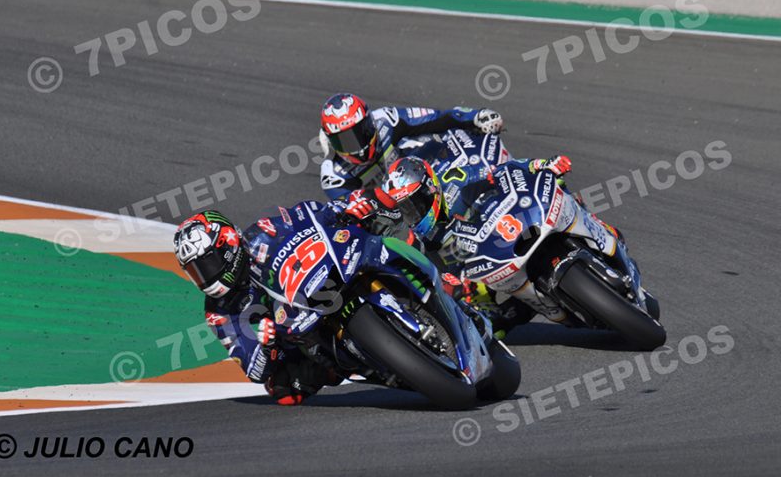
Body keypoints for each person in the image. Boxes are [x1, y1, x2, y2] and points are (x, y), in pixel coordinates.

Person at [341, 155, 580, 336]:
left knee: (556, 187)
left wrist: (537, 165)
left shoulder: (453, 180)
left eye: (416, 204)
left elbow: (501, 171)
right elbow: (432, 282)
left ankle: (583, 225)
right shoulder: (422, 243)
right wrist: (456, 288)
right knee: (488, 329)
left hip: (509, 232)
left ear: (430, 188)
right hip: (490, 283)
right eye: (406, 211)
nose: (413, 215)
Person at [173, 210, 340, 405]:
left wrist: (340, 210)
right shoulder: (218, 311)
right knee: (282, 386)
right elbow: (253, 370)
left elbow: (310, 211)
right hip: (294, 327)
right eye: (196, 271)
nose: (204, 277)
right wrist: (267, 347)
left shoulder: (265, 232)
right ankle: (335, 366)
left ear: (227, 246)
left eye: (207, 266)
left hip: (323, 281)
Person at [319, 92, 504, 200]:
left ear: (370, 122)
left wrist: (475, 116)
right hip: (394, 216)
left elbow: (436, 118)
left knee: (433, 140)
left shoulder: (387, 120)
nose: (357, 146)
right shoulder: (335, 176)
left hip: (421, 176)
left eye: (361, 133)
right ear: (330, 141)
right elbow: (353, 215)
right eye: (345, 140)